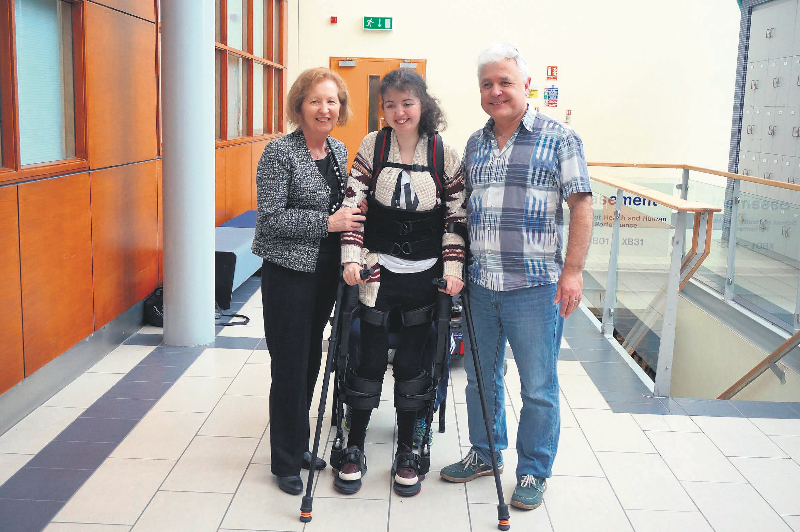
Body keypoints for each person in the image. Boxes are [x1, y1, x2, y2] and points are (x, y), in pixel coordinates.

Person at [439, 44, 593, 511]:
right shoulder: (475, 143)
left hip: (535, 287)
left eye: (505, 82)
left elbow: (582, 205)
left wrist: (573, 272)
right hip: (482, 285)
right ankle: (486, 453)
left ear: (526, 85)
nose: (496, 91)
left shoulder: (560, 138)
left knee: (538, 387)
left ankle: (533, 470)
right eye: (487, 84)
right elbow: (463, 210)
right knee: (480, 379)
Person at [336, 69, 467, 497]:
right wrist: (350, 258)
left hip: (425, 277)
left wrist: (453, 269)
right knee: (369, 359)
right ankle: (353, 444)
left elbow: (456, 217)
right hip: (377, 272)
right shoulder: (372, 146)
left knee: (413, 364)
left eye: (407, 103)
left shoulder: (445, 153)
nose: (399, 112)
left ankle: (408, 448)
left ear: (424, 105)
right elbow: (353, 204)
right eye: (390, 104)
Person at [251, 67, 365, 496]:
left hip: (325, 273)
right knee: (289, 364)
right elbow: (270, 219)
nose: (324, 108)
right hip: (288, 274)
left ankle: (298, 443)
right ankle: (285, 460)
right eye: (315, 100)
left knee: (310, 360)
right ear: (299, 105)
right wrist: (328, 223)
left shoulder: (337, 149)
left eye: (332, 100)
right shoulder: (279, 153)